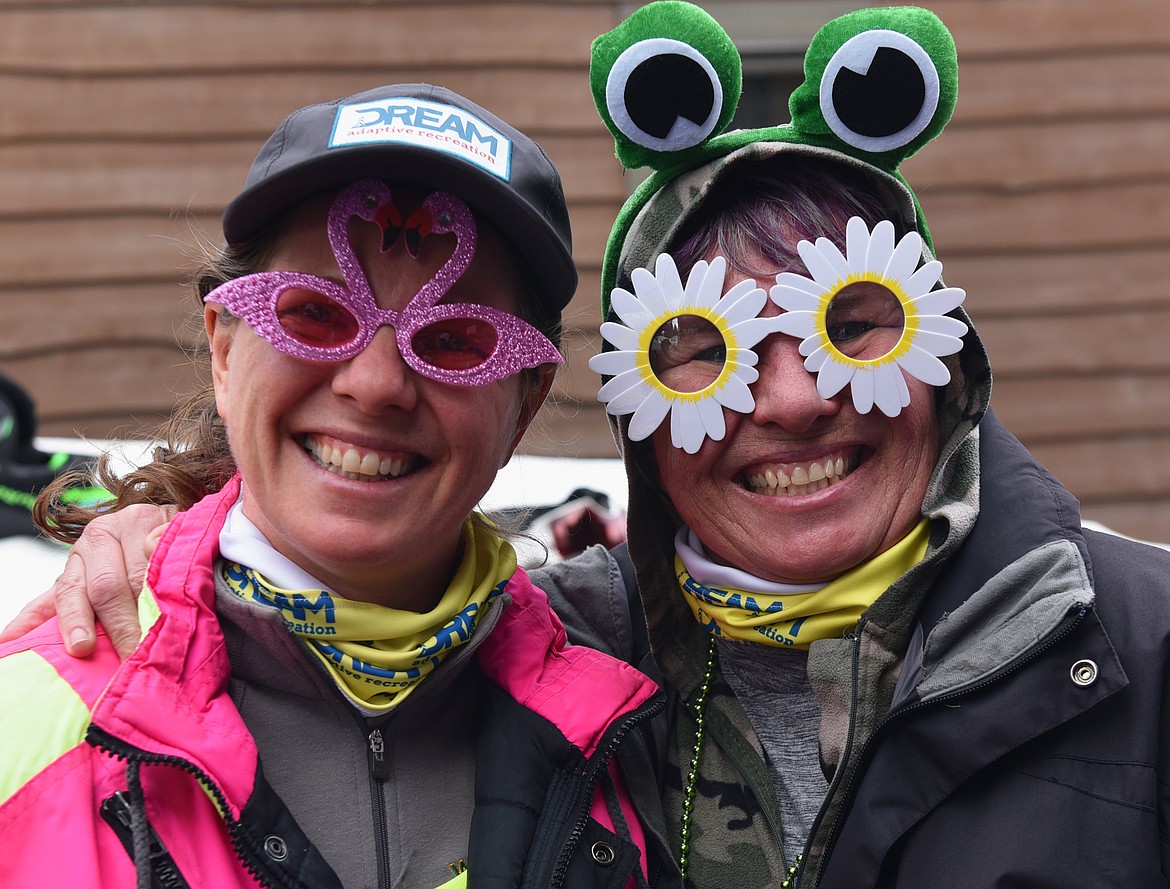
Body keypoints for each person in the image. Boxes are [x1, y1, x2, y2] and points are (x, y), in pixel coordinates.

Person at [10, 5, 1170, 888]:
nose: (794, 400)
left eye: (852, 327)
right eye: (704, 349)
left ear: (945, 360)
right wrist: (172, 554)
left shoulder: (1141, 645)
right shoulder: (583, 655)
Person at [0, 83, 667, 888]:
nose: (376, 383)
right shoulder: (25, 725)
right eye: (313, 314)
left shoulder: (638, 714)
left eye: (456, 338)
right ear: (223, 347)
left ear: (522, 407)